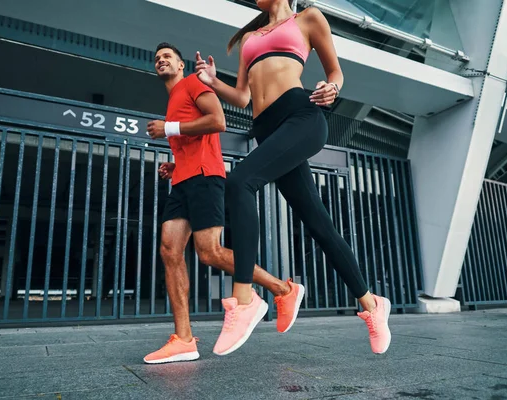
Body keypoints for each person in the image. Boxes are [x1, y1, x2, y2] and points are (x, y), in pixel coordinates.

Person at [195, 0, 392, 356]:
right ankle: (371, 302)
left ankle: (244, 299)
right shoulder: (250, 37)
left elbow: (336, 73)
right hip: (266, 129)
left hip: (301, 117)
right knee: (319, 224)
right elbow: (242, 96)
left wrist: (332, 89)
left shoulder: (309, 17)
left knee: (240, 181)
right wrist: (213, 83)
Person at [143, 42, 305, 364]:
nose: (161, 60)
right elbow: (194, 142)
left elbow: (218, 121)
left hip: (206, 177)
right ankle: (184, 339)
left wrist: (169, 128)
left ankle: (283, 290)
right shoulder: (173, 101)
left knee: (209, 252)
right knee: (169, 250)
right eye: (157, 58)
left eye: (168, 57)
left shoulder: (192, 84)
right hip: (184, 181)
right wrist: (175, 165)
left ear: (180, 66)